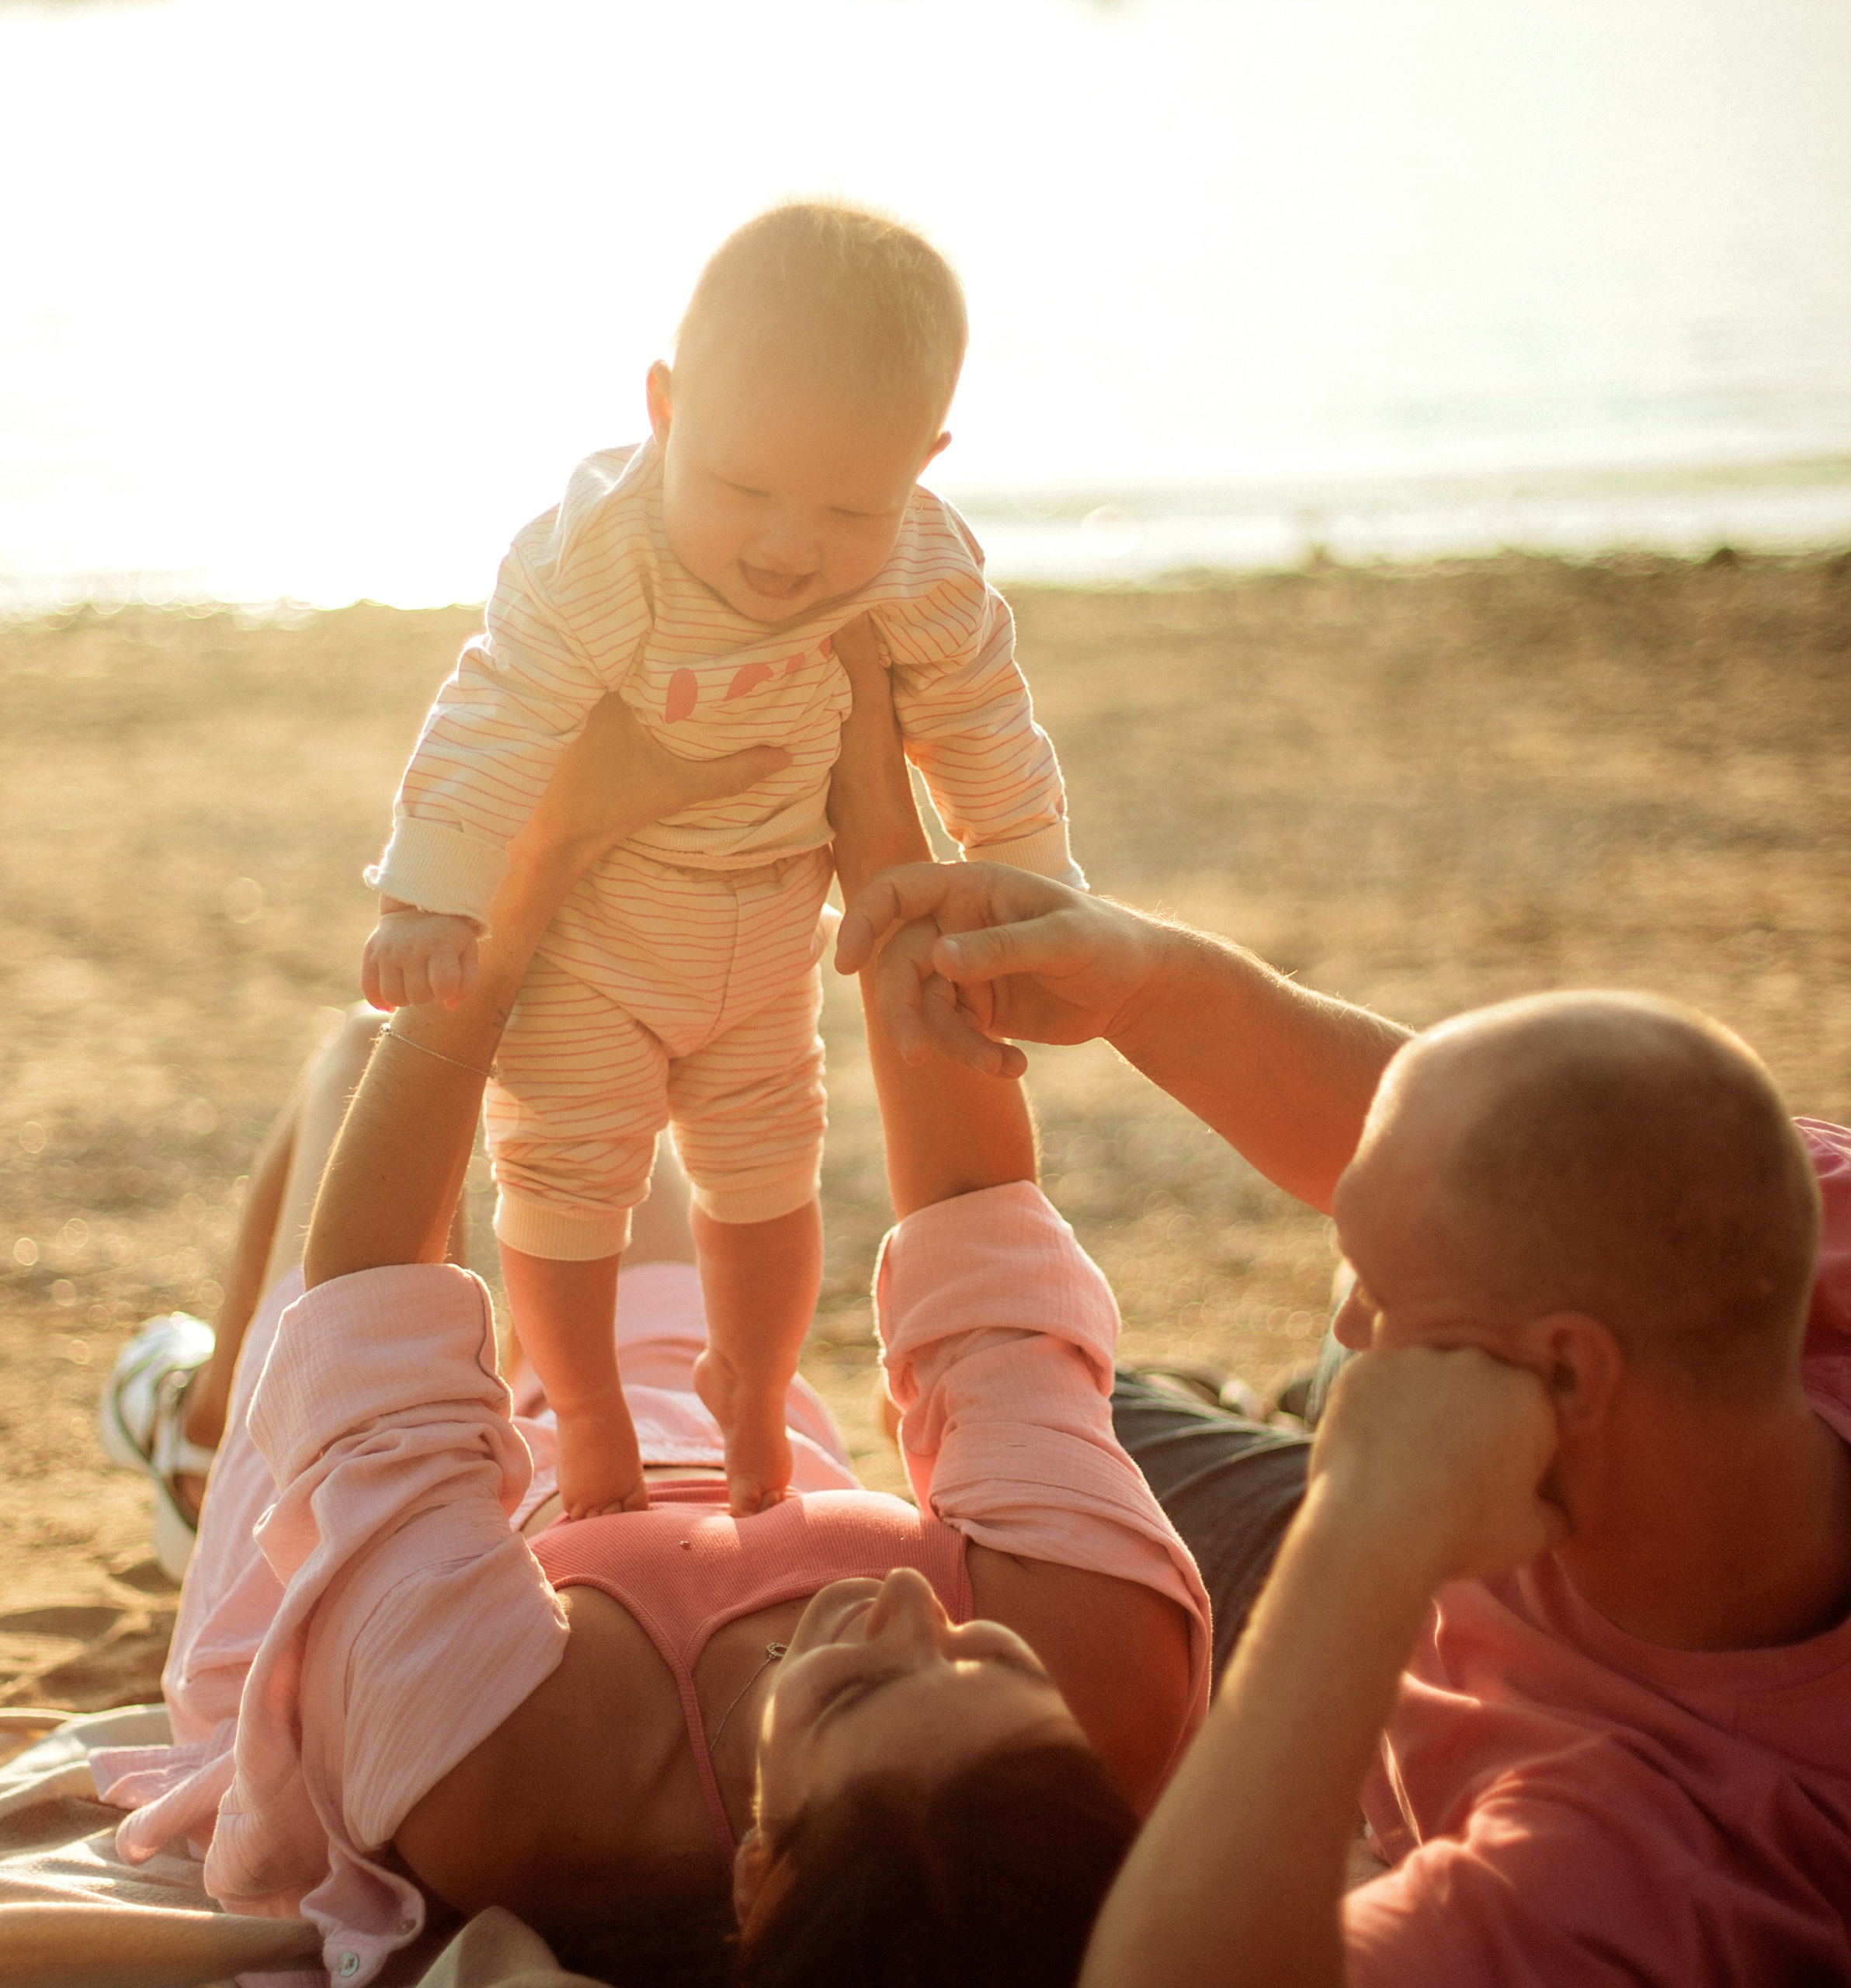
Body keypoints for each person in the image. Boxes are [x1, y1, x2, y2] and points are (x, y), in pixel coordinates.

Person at [90, 651, 1203, 1988]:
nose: (907, 1601)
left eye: (858, 1688)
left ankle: (210, 1441)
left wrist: (539, 853)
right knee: (595, 1122)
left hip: (400, 1569)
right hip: (694, 1442)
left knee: (360, 1056)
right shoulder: (1116, 1672)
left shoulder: (501, 1774)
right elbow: (981, 1233)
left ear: (755, 1862)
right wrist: (867, 802)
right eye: (985, 1658)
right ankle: (207, 1419)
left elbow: (367, 1294)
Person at [835, 861, 1851, 1986]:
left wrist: (1362, 1535)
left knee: (1076, 1466)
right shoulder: (1781, 1217)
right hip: (1454, 1505)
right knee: (1116, 1410)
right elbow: (1503, 1149)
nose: (1354, 1321)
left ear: (1566, 1374)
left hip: (1359, 1598)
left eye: (1385, 1294)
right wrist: (1147, 984)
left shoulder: (1648, 1863)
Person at [360, 201, 1082, 1524]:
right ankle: (583, 1413)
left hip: (769, 938)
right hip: (596, 933)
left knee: (769, 1176)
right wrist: (430, 894)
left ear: (923, 464)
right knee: (565, 1179)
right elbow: (497, 709)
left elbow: (982, 720)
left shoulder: (920, 562)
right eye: (744, 489)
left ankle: (752, 1389)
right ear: (664, 408)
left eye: (846, 506)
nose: (786, 546)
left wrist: (1036, 889)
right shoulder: (601, 556)